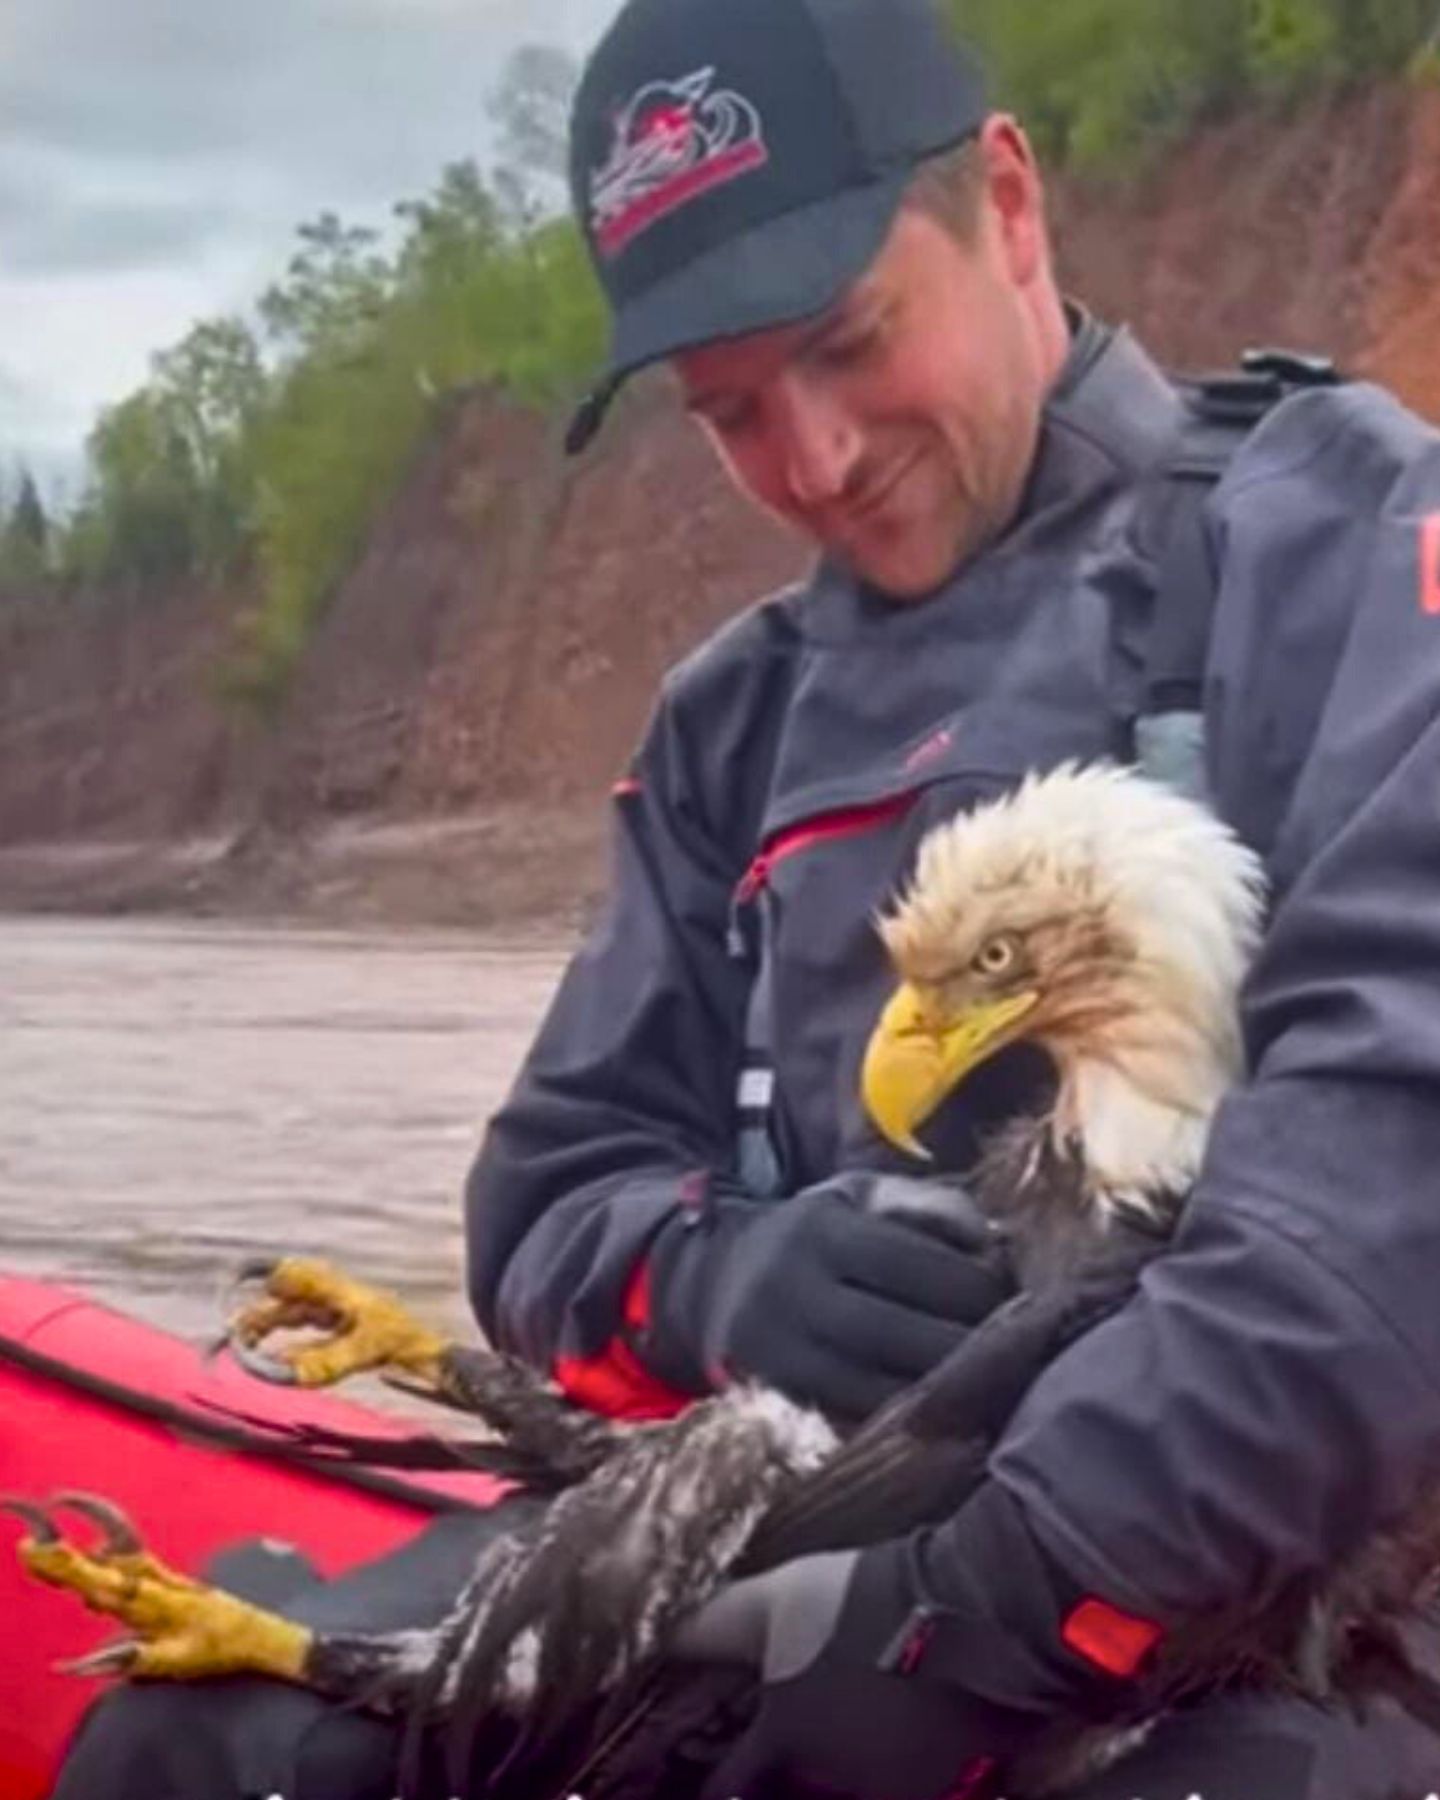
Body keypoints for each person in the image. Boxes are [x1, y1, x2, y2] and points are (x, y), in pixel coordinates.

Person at [47, 0, 1440, 1795]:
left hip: (1257, 1592)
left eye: (851, 344)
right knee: (195, 1746)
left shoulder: (1341, 540)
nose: (816, 457)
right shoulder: (737, 717)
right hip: (772, 1509)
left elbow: (1390, 1178)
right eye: (729, 415)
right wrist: (735, 1277)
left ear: (1006, 206)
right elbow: (548, 1203)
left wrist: (995, 1607)